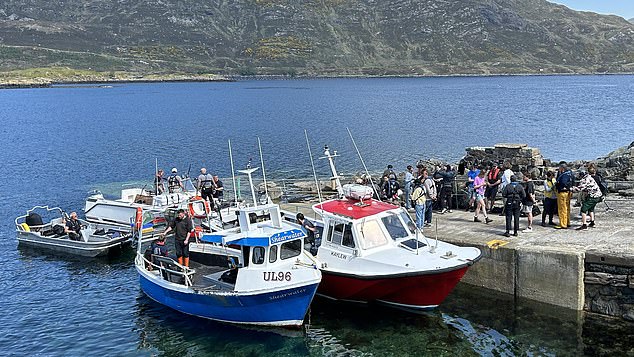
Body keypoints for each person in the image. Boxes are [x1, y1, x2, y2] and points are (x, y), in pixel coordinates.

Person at [572, 166, 603, 230]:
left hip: (593, 196)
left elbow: (580, 188)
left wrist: (571, 189)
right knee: (591, 209)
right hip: (598, 195)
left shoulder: (585, 179)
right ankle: (592, 222)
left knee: (583, 210)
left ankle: (584, 225)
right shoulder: (590, 177)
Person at [555, 163, 574, 229]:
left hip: (562, 193)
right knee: (567, 207)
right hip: (568, 192)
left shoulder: (563, 175)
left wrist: (558, 185)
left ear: (562, 168)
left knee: (562, 208)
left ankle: (563, 224)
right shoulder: (570, 173)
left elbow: (563, 183)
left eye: (559, 168)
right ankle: (567, 222)